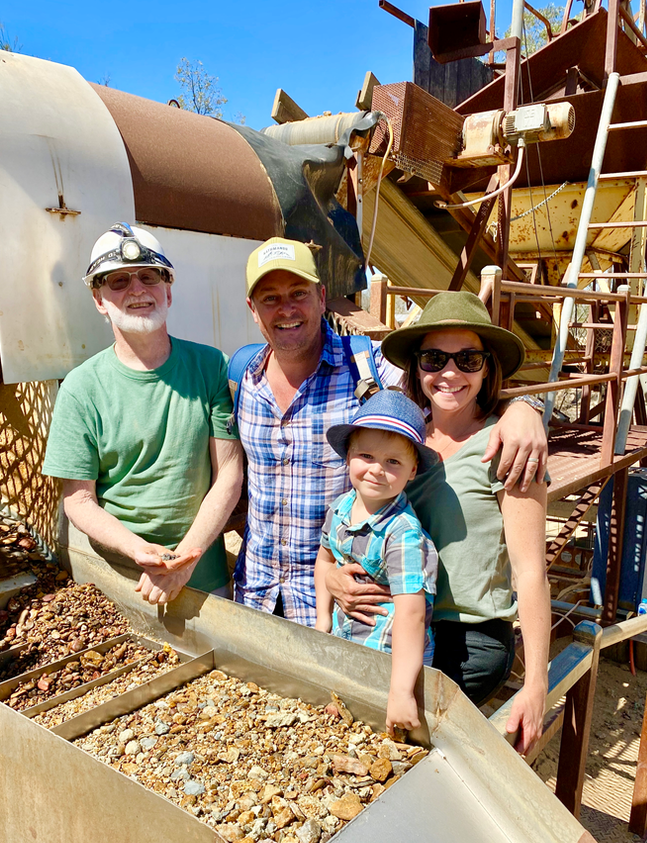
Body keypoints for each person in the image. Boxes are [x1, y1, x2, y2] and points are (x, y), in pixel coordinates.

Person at [233, 236, 548, 627]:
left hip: (340, 610)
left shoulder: (368, 368)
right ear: (252, 309)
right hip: (255, 594)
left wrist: (522, 408)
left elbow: (448, 384)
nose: (286, 309)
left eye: (298, 292)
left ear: (321, 296)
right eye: (270, 298)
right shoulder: (245, 379)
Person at [327, 291, 550, 753]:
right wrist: (330, 577)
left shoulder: (507, 446)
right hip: (389, 624)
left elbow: (531, 573)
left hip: (465, 635)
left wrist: (536, 683)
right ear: (416, 368)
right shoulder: (400, 439)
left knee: (400, 745)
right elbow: (355, 524)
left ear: (487, 367)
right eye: (434, 358)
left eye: (467, 359)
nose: (450, 373)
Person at [42, 222, 243, 605]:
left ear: (168, 289)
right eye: (117, 281)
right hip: (122, 585)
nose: (136, 290)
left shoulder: (211, 366)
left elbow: (229, 473)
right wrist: (142, 552)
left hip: (205, 577)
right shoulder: (80, 388)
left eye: (149, 277)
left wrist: (186, 559)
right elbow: (78, 501)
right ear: (99, 300)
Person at [314, 390, 439, 734]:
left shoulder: (403, 534)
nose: (376, 470)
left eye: (393, 462)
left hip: (391, 657)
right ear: (349, 455)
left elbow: (412, 612)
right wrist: (323, 620)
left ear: (413, 471)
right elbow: (324, 559)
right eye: (366, 455)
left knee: (388, 733)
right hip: (347, 639)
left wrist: (401, 690)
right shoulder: (341, 507)